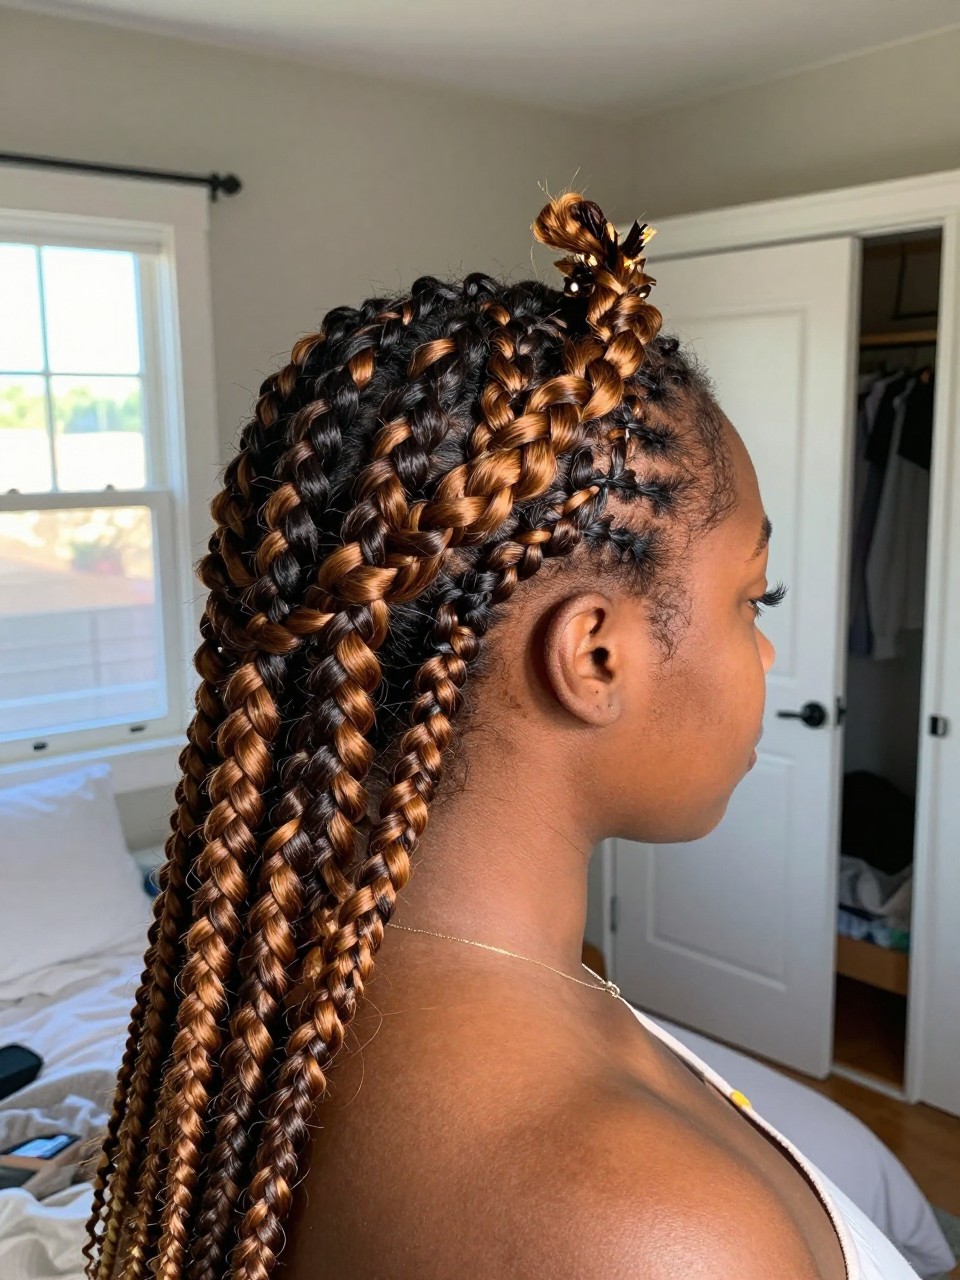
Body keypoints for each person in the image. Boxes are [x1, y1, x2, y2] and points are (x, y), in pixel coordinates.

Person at [84, 194, 920, 1280]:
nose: (764, 652)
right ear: (595, 656)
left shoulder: (286, 1005)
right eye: (753, 598)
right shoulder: (659, 1239)